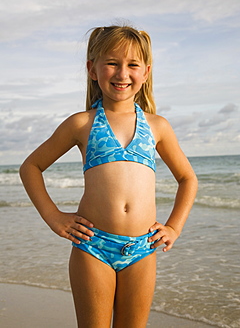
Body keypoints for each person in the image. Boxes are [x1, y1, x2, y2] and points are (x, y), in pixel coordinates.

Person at [19, 25, 198, 328]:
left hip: (142, 249)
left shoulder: (158, 126)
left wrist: (174, 227)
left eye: (132, 65)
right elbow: (31, 167)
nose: (122, 73)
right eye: (112, 63)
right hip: (93, 246)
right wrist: (54, 216)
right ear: (92, 69)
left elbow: (187, 178)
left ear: (146, 72)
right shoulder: (81, 123)